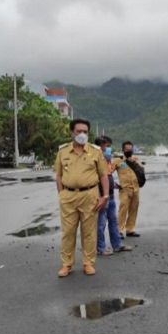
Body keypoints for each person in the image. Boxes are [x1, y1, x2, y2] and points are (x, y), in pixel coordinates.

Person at [54, 119, 109, 277]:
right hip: (68, 196)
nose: (82, 134)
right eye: (79, 131)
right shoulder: (63, 152)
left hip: (89, 195)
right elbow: (59, 176)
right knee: (68, 232)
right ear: (72, 133)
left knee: (89, 232)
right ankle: (67, 264)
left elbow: (103, 175)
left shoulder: (95, 151)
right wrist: (62, 194)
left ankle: (88, 263)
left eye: (85, 131)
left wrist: (104, 196)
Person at [95, 136, 133, 256]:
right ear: (100, 146)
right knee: (101, 223)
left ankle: (117, 245)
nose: (108, 149)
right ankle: (100, 248)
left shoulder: (107, 161)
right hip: (101, 196)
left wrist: (114, 185)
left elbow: (107, 177)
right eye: (107, 146)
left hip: (110, 196)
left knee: (113, 221)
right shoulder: (95, 160)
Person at [112, 141, 142, 238]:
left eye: (130, 149)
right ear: (123, 150)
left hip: (136, 189)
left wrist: (136, 163)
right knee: (123, 210)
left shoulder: (136, 159)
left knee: (134, 209)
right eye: (127, 149)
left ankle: (130, 229)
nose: (129, 151)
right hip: (125, 189)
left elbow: (142, 171)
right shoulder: (118, 161)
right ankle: (120, 230)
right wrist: (113, 183)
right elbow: (108, 172)